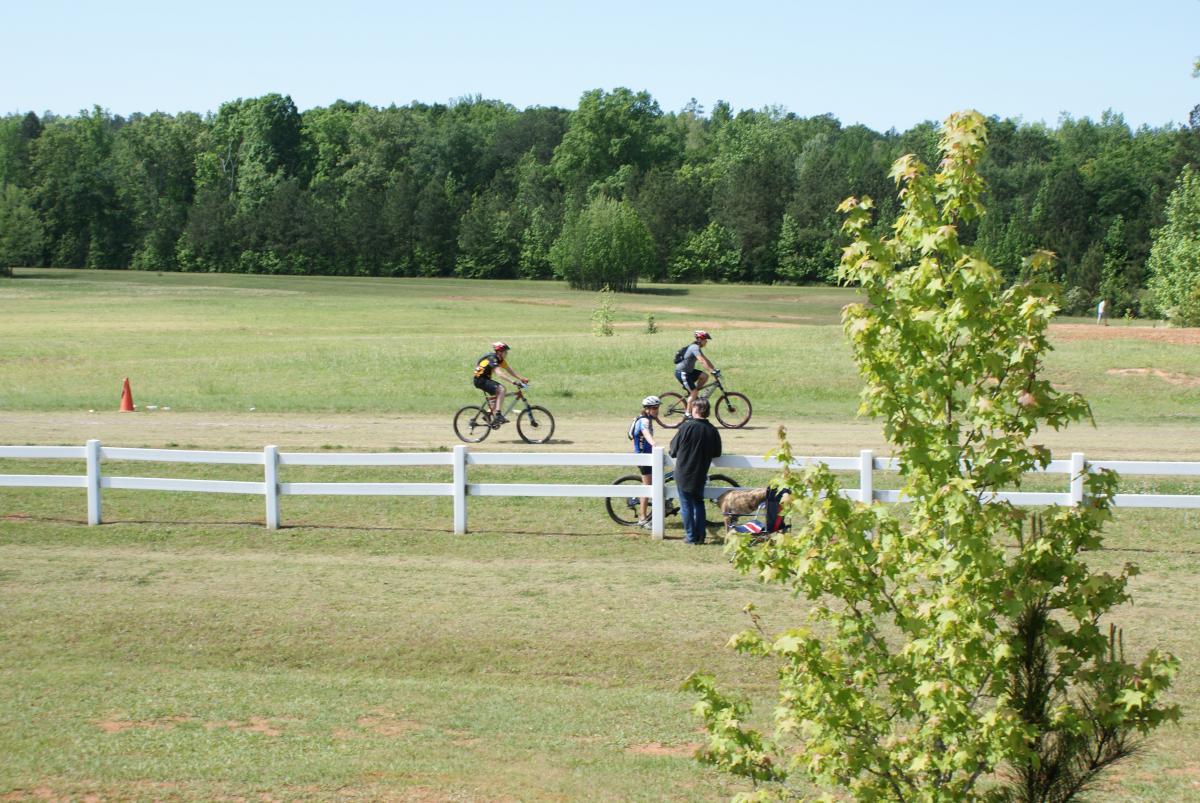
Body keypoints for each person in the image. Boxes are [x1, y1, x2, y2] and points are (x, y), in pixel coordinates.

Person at [668, 397, 722, 545]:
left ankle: (691, 537)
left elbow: (673, 450)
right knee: (698, 503)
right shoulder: (712, 430)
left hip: (684, 472)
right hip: (700, 473)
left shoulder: (686, 427)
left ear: (696, 410)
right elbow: (717, 452)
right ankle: (700, 536)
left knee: (686, 505)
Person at [472, 342, 528, 423]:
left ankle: (487, 415)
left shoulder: (500, 359)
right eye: (505, 352)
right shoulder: (492, 358)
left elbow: (509, 370)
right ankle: (498, 415)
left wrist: (521, 378)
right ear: (499, 352)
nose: (507, 353)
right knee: (502, 389)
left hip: (485, 379)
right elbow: (499, 373)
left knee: (498, 395)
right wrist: (514, 382)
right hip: (480, 380)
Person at [629, 395, 660, 528]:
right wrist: (654, 444)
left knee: (653, 483)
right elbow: (645, 433)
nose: (656, 410)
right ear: (647, 409)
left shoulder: (646, 418)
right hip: (643, 457)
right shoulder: (644, 421)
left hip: (647, 456)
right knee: (648, 488)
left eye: (657, 407)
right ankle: (642, 518)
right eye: (654, 408)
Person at [674, 330, 718, 408]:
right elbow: (701, 361)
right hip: (682, 372)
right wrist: (712, 371)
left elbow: (706, 360)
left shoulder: (697, 347)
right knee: (694, 393)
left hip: (688, 372)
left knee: (704, 376)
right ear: (700, 339)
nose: (706, 342)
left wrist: (714, 370)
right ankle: (688, 414)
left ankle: (693, 394)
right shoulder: (694, 347)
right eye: (705, 339)